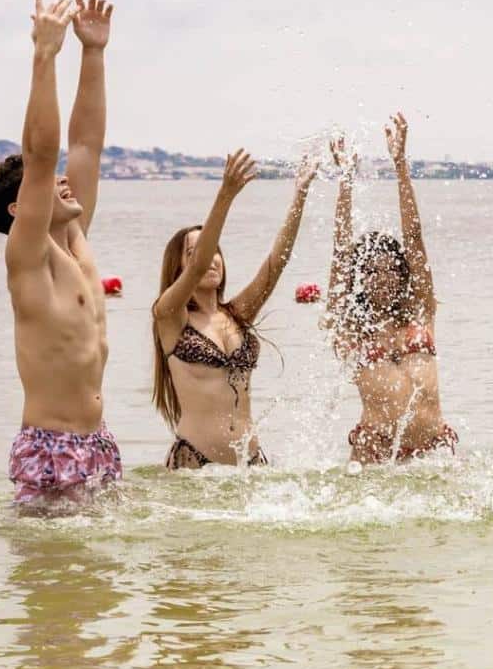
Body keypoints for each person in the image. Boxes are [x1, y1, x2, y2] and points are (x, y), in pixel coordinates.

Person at [0, 0, 119, 503]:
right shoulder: (29, 258)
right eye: (47, 184)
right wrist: (45, 55)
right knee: (46, 557)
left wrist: (94, 52)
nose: (63, 180)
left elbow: (85, 144)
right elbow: (41, 155)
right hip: (52, 446)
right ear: (21, 209)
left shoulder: (76, 242)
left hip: (97, 442)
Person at [152, 151, 318, 467]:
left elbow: (277, 264)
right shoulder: (169, 316)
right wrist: (226, 195)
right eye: (196, 252)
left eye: (216, 251)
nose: (211, 259)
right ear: (179, 266)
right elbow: (198, 266)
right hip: (196, 463)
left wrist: (300, 195)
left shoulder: (236, 314)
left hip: (250, 465)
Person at [323, 113, 456, 464]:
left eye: (391, 269)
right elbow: (340, 252)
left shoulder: (420, 312)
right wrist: (346, 180)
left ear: (402, 274)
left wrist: (400, 166)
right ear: (359, 278)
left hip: (433, 450)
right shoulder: (352, 326)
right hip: (374, 451)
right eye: (371, 270)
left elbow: (414, 238)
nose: (383, 277)